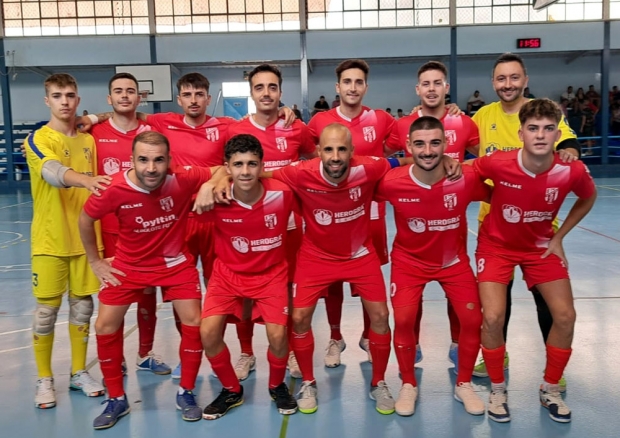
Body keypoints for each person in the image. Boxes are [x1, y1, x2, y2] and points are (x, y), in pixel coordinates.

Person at [79, 131, 221, 429]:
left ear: (170, 161)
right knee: (104, 325)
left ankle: (186, 391)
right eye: (143, 160)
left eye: (158, 160)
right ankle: (117, 398)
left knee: (194, 321)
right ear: (132, 160)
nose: (151, 168)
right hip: (129, 264)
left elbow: (222, 168)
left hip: (174, 263)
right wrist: (94, 260)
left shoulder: (182, 178)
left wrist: (210, 183)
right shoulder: (115, 187)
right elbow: (85, 219)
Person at [473, 98, 597, 423]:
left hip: (540, 247)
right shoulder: (498, 163)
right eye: (533, 128)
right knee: (493, 317)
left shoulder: (570, 169)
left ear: (557, 134)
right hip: (495, 246)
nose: (540, 135)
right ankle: (498, 389)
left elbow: (588, 197)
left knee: (565, 316)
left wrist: (559, 237)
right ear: (522, 133)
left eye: (547, 128)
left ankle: (550, 388)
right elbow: (468, 177)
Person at [267, 123, 400, 415]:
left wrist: (450, 161)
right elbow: (260, 175)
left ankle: (379, 382)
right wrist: (215, 180)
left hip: (360, 254)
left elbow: (404, 160)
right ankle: (309, 383)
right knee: (300, 318)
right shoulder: (301, 172)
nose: (336, 156)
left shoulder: (369, 168)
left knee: (380, 316)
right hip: (315, 257)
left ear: (353, 152)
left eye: (342, 149)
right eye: (329, 149)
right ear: (318, 152)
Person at [472, 53, 581, 385]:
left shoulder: (541, 114)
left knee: (549, 303)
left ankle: (553, 368)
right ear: (493, 83)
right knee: (495, 304)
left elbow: (568, 143)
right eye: (502, 79)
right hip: (493, 227)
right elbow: (459, 148)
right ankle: (496, 355)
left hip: (538, 229)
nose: (508, 84)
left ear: (525, 80)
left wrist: (570, 151)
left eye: (514, 78)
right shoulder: (481, 116)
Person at [376, 116, 488, 417]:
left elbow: (503, 195)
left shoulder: (464, 178)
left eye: (435, 143)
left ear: (446, 145)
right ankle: (408, 384)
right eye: (420, 144)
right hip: (409, 263)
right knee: (403, 319)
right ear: (409, 146)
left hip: (453, 263)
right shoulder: (391, 182)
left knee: (472, 320)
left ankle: (463, 383)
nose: (428, 151)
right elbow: (353, 186)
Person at [225, 64, 317, 381]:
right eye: (260, 87)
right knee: (244, 297)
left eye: (272, 87)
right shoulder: (234, 131)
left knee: (286, 294)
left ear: (280, 91)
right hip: (244, 228)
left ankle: (288, 348)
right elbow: (219, 168)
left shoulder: (297, 129)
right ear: (251, 93)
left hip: (289, 227)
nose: (266, 93)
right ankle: (246, 352)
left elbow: (312, 159)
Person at [386, 60, 479, 369]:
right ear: (417, 89)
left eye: (437, 83)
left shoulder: (464, 123)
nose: (431, 89)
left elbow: (483, 162)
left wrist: (459, 165)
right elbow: (392, 158)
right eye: (425, 84)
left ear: (446, 88)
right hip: (416, 226)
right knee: (409, 306)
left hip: (452, 229)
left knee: (460, 299)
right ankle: (411, 349)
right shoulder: (403, 125)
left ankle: (457, 344)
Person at [24, 73, 110, 409]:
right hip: (49, 239)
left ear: (77, 99)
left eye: (70, 95)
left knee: (83, 307)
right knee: (46, 312)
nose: (64, 101)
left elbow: (93, 120)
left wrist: (95, 117)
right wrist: (87, 181)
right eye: (57, 95)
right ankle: (44, 378)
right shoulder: (37, 139)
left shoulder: (88, 140)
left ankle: (78, 372)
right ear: (47, 100)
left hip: (85, 239)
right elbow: (52, 172)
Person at [199, 134, 298, 419]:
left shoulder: (283, 193)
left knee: (278, 336)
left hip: (271, 274)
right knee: (208, 333)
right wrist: (208, 182)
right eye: (238, 164)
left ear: (261, 165)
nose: (245, 171)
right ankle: (232, 389)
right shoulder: (216, 197)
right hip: (227, 274)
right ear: (227, 167)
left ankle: (277, 385)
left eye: (252, 164)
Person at [307, 59, 396, 368]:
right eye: (347, 82)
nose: (353, 87)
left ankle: (370, 335)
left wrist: (446, 112)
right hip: (331, 214)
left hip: (370, 213)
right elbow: (305, 154)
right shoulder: (320, 123)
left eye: (359, 82)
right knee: (332, 283)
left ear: (366, 87)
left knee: (366, 283)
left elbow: (408, 142)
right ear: (338, 87)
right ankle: (335, 336)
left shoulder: (382, 119)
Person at [92, 72, 171, 376]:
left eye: (130, 91)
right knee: (117, 297)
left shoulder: (153, 128)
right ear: (109, 98)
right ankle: (117, 358)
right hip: (112, 229)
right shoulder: (94, 131)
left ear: (140, 98)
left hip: (150, 229)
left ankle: (144, 352)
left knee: (148, 294)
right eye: (118, 91)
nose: (124, 96)